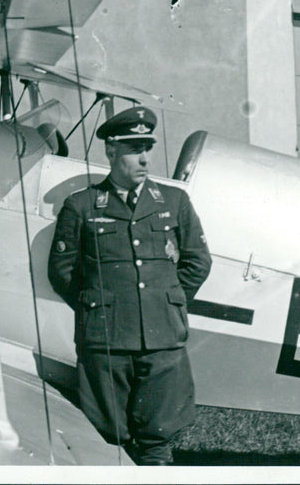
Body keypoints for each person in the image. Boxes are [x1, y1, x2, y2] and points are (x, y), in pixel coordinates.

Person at [48, 106, 212, 465]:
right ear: (111, 151)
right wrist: (101, 308)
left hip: (162, 340)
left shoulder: (174, 202)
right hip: (106, 341)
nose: (144, 159)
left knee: (158, 442)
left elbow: (198, 262)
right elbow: (62, 272)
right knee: (106, 440)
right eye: (134, 149)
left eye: (147, 149)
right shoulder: (81, 206)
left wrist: (166, 302)